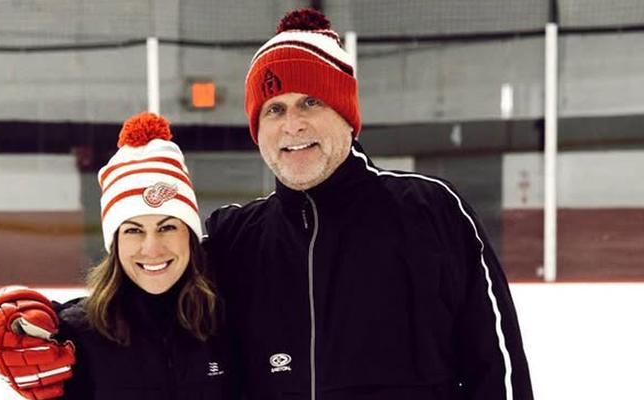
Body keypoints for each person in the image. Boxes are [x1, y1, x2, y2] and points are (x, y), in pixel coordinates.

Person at [202, 8, 534, 400]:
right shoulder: (233, 240)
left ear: (346, 113)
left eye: (311, 102)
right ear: (258, 131)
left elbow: (496, 366)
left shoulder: (431, 211)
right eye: (275, 109)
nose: (292, 124)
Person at [0, 112, 236, 399]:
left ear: (189, 234)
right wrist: (8, 325)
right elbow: (20, 327)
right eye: (133, 231)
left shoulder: (230, 319)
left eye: (167, 227)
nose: (152, 248)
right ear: (114, 244)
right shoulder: (75, 337)